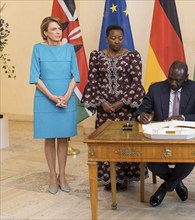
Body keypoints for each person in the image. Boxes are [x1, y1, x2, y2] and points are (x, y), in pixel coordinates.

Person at [81, 25, 147, 192]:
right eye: (113, 38)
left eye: (120, 38)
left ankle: (123, 177)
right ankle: (110, 178)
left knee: (124, 143)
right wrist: (102, 102)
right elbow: (93, 80)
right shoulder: (97, 57)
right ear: (106, 38)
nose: (117, 41)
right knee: (106, 143)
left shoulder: (132, 57)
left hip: (125, 109)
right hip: (105, 110)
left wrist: (122, 102)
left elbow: (135, 81)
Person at [135, 60, 195, 207]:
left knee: (189, 160)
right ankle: (177, 183)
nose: (173, 83)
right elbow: (141, 110)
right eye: (170, 78)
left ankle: (164, 188)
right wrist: (141, 116)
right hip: (160, 137)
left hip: (185, 138)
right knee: (151, 160)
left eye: (177, 80)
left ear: (186, 77)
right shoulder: (156, 88)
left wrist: (182, 117)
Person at [29, 16, 80, 194]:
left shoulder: (69, 49)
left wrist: (65, 97)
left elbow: (76, 76)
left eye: (59, 29)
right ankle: (52, 176)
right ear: (45, 32)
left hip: (66, 99)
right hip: (45, 99)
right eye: (54, 29)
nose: (58, 32)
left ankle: (63, 176)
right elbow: (35, 77)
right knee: (49, 139)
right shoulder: (38, 49)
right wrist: (52, 97)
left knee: (64, 138)